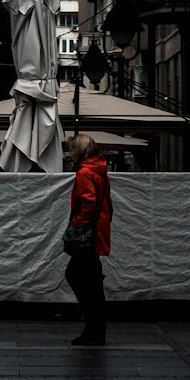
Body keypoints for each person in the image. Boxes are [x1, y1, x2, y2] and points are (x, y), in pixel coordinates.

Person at [63, 133, 112, 347]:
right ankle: (95, 329)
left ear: (80, 151)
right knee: (91, 281)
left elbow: (88, 202)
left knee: (75, 275)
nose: (69, 153)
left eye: (72, 149)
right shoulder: (99, 170)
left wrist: (77, 224)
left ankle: (93, 328)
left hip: (87, 234)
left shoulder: (84, 172)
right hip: (97, 231)